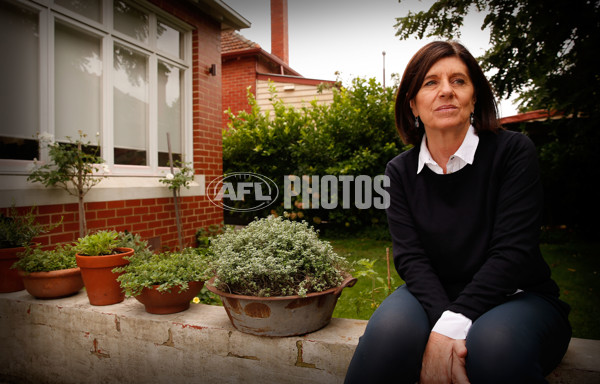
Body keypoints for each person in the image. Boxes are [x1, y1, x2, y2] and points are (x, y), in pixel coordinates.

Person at [344, 41, 571, 384]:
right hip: (431, 294)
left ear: (474, 97)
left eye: (459, 81)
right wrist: (446, 326)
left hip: (518, 295)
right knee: (387, 338)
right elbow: (411, 259)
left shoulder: (512, 152)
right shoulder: (399, 172)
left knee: (494, 348)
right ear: (413, 105)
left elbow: (512, 254)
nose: (446, 91)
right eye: (430, 82)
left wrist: (448, 329)